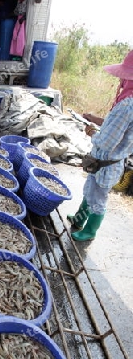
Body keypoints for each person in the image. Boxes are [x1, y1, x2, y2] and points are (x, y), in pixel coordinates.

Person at [67, 50, 133, 241]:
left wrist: (92, 133)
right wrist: (94, 119)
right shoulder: (126, 101)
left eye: (124, 77)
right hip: (102, 160)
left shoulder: (128, 104)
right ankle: (79, 220)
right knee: (90, 190)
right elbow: (115, 126)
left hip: (107, 161)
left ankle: (90, 231)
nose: (121, 81)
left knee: (98, 197)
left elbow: (107, 141)